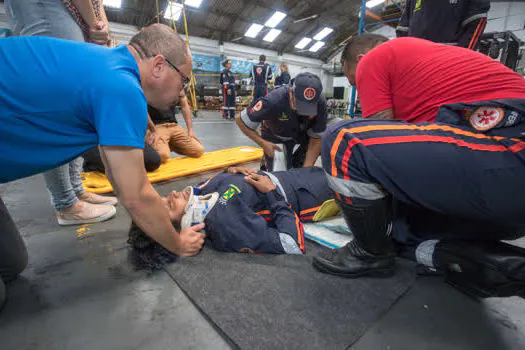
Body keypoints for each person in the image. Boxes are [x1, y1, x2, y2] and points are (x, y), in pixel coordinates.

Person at [0, 24, 207, 311]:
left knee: (11, 264)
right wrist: (178, 244)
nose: (182, 90)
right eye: (183, 79)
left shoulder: (109, 66)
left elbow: (119, 177)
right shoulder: (123, 87)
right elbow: (135, 196)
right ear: (159, 66)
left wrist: (153, 205)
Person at [312, 34, 525, 298]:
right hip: (504, 199)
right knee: (403, 234)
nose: (358, 88)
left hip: (511, 146)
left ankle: (368, 253)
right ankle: (500, 266)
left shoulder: (375, 58)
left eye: (352, 79)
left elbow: (377, 147)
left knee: (344, 142)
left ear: (358, 59)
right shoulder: (427, 65)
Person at [5, 0, 118, 226]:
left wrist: (100, 24)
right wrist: (94, 23)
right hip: (48, 9)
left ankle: (76, 190)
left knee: (74, 108)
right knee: (57, 108)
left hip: (66, 13)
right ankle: (65, 203)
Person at [128, 166, 334, 255]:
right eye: (168, 206)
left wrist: (230, 171)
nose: (171, 194)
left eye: (163, 198)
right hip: (309, 195)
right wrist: (273, 194)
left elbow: (224, 190)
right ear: (183, 228)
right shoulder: (224, 225)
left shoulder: (201, 194)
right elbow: (291, 245)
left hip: (295, 175)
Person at [236, 72, 328, 171]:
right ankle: (271, 162)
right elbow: (240, 119)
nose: (306, 114)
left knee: (331, 133)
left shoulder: (321, 102)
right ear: (291, 93)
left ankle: (296, 163)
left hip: (303, 133)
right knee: (280, 175)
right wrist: (263, 143)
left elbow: (316, 139)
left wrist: (306, 170)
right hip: (277, 136)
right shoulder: (274, 100)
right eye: (301, 106)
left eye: (309, 108)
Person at [396, 0, 490, 49]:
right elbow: (403, 28)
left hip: (448, 60)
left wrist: (461, 57)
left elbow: (476, 23)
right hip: (416, 59)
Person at [147, 93, 204, 163]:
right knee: (162, 155)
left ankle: (169, 144)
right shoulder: (145, 85)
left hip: (173, 125)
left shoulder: (176, 84)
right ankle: (150, 143)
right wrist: (153, 131)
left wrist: (190, 130)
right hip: (157, 126)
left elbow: (184, 105)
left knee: (198, 151)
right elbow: (142, 110)